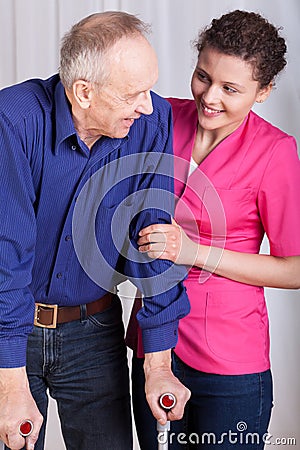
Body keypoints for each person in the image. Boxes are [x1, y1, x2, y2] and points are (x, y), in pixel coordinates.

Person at [0, 11, 191, 450]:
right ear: (84, 92)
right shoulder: (13, 120)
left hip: (93, 330)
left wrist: (159, 364)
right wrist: (10, 385)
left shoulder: (152, 120)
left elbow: (153, 233)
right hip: (10, 331)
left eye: (149, 89)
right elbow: (5, 254)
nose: (147, 104)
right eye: (132, 94)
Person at [127, 9, 300, 449]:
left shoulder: (276, 152)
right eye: (203, 76)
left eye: (231, 88)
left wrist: (195, 252)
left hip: (231, 362)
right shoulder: (157, 120)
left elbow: (295, 268)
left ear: (264, 92)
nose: (210, 97)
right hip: (156, 346)